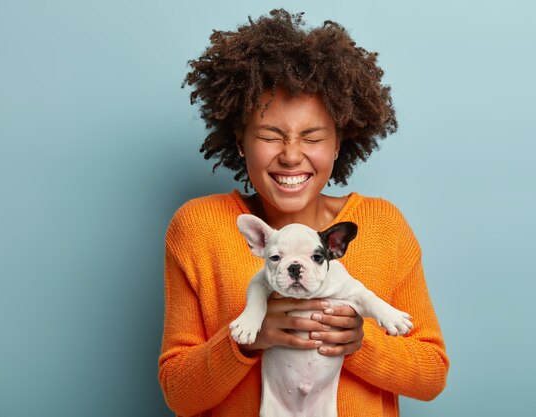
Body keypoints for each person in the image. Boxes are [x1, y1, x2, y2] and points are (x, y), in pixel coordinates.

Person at [158, 9, 449, 417]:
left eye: (312, 136)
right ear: (240, 140)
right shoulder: (198, 228)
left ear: (338, 142)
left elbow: (432, 374)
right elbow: (178, 394)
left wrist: (358, 343)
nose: (291, 156)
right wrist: (247, 340)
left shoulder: (384, 226)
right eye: (269, 135)